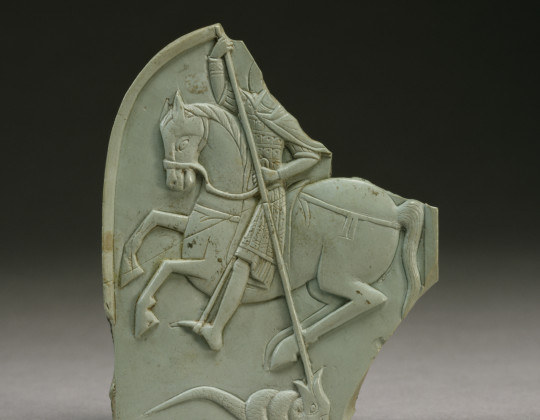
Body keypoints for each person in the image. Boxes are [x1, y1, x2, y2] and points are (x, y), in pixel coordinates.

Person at [182, 36, 331, 350]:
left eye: (241, 71)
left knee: (242, 263)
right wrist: (215, 60)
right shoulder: (246, 104)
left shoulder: (280, 117)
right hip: (246, 191)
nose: (240, 79)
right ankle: (213, 324)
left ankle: (216, 330)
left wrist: (277, 174)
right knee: (230, 258)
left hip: (271, 197)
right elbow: (222, 97)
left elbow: (311, 155)